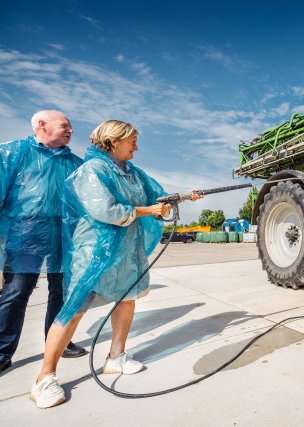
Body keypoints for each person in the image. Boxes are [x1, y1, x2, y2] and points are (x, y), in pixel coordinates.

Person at [31, 120, 202, 409]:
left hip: (126, 250)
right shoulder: (93, 170)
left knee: (127, 299)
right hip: (95, 251)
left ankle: (116, 357)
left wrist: (182, 197)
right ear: (113, 141)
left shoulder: (133, 173)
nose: (136, 146)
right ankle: (44, 378)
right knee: (74, 310)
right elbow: (105, 210)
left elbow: (155, 199)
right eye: (132, 141)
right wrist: (149, 210)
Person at [0, 111, 87, 376]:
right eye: (65, 125)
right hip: (23, 235)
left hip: (64, 236)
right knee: (16, 292)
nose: (71, 130)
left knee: (61, 292)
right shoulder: (13, 152)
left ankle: (59, 340)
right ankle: (2, 352)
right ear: (41, 125)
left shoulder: (75, 163)